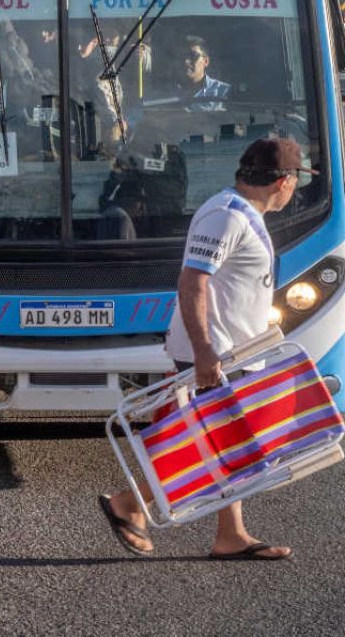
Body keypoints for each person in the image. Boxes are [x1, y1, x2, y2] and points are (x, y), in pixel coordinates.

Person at [99, 138, 312, 562]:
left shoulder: (241, 213)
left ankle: (229, 534)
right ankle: (127, 503)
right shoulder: (226, 216)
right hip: (213, 353)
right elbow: (191, 283)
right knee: (204, 443)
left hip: (232, 352)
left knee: (226, 442)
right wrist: (204, 353)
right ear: (284, 182)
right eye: (296, 182)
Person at [178, 35, 230, 111]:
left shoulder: (223, 92)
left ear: (206, 61)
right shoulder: (164, 94)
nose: (186, 61)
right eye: (181, 56)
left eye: (193, 56)